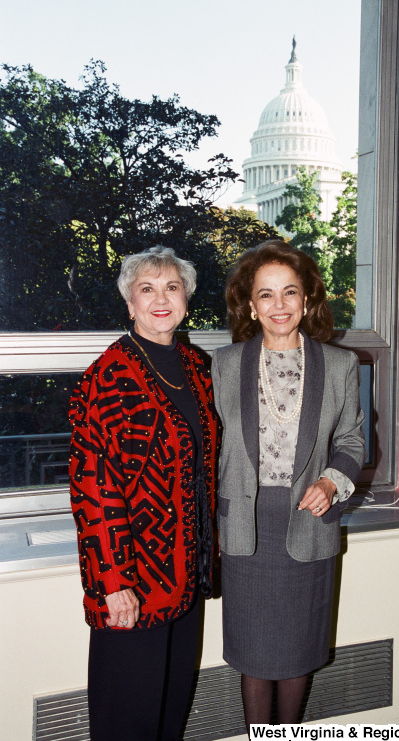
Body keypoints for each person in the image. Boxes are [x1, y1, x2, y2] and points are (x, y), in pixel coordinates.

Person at [211, 240, 365, 730]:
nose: (279, 306)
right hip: (245, 529)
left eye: (290, 293)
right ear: (250, 306)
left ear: (307, 300)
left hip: (308, 522)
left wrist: (330, 480)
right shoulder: (224, 364)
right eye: (266, 295)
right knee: (253, 656)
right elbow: (205, 450)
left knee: (299, 652)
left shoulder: (339, 365)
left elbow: (353, 442)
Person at [69, 245, 219, 741]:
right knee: (126, 720)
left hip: (184, 574)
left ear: (186, 300)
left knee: (172, 707)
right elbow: (93, 486)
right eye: (147, 289)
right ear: (129, 303)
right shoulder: (106, 376)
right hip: (131, 581)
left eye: (171, 288)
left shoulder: (196, 368)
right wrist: (114, 582)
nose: (161, 299)